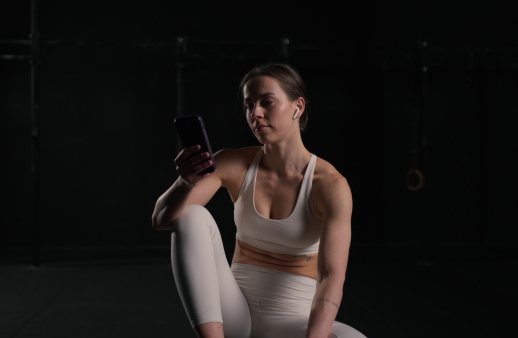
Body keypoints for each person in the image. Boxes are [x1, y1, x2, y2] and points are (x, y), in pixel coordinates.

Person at [152, 63, 367, 338]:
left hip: (292, 322)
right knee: (191, 215)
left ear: (297, 107)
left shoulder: (329, 184)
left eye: (267, 102)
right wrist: (186, 182)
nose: (255, 113)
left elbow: (331, 277)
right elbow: (161, 220)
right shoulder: (232, 162)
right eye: (248, 105)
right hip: (234, 314)